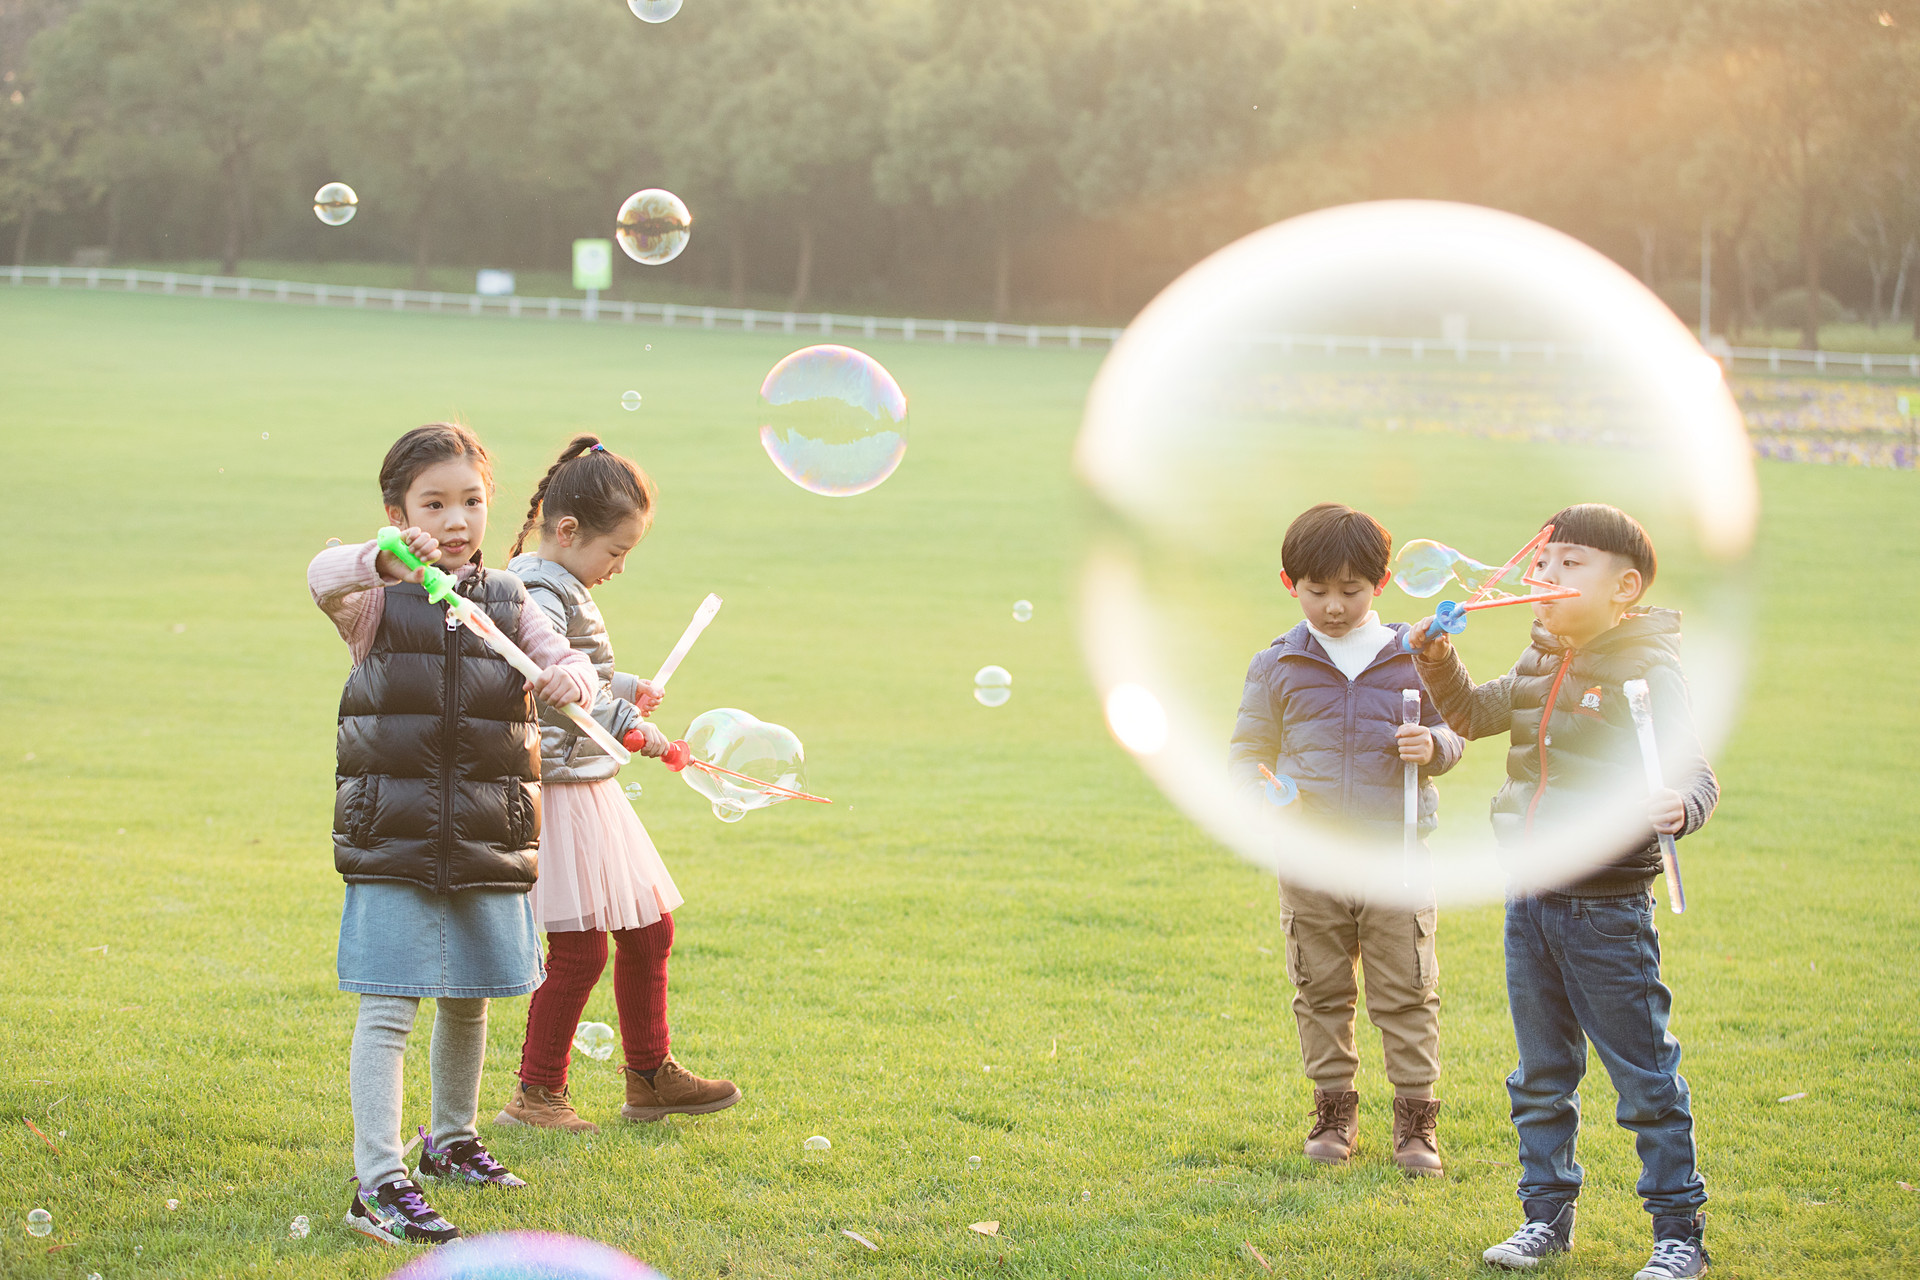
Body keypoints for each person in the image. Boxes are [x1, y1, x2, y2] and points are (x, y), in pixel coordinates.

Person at [1406, 504, 1717, 1279]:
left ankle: (1679, 1233)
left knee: (1644, 1077)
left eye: (1571, 563)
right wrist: (1436, 658)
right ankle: (1546, 1217)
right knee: (1540, 1074)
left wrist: (1684, 807)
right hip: (1531, 898)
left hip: (1606, 908)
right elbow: (1473, 715)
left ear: (1625, 587)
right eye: (1543, 562)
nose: (1546, 576)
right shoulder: (1542, 660)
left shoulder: (1648, 669)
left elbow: (1697, 773)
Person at [309, 423, 595, 1246]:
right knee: (391, 1004)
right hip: (391, 833)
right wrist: (385, 557)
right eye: (433, 504)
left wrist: (568, 674)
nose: (457, 519)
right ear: (398, 513)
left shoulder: (508, 598)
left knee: (469, 998)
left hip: (485, 829)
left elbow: (557, 656)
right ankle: (377, 1180)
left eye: (470, 501)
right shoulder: (372, 598)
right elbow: (319, 574)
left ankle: (451, 1140)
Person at [494, 435, 741, 1134]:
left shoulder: (559, 582)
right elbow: (552, 688)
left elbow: (585, 671)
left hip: (589, 787)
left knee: (647, 929)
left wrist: (627, 686)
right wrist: (636, 727)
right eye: (616, 552)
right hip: (565, 792)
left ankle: (649, 1076)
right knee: (580, 949)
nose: (620, 568)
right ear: (567, 531)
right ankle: (535, 1095)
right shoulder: (534, 586)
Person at [1229, 502, 1465, 1177]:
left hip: (1395, 860)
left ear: (1381, 585)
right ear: (1288, 584)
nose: (1333, 606)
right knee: (1320, 988)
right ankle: (1334, 1113)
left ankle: (1417, 1125)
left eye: (1351, 590)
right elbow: (1247, 754)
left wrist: (1435, 746)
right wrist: (1261, 790)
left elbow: (1459, 729)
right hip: (1310, 860)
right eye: (1317, 590)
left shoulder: (1418, 655)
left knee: (1408, 992)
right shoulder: (1277, 664)